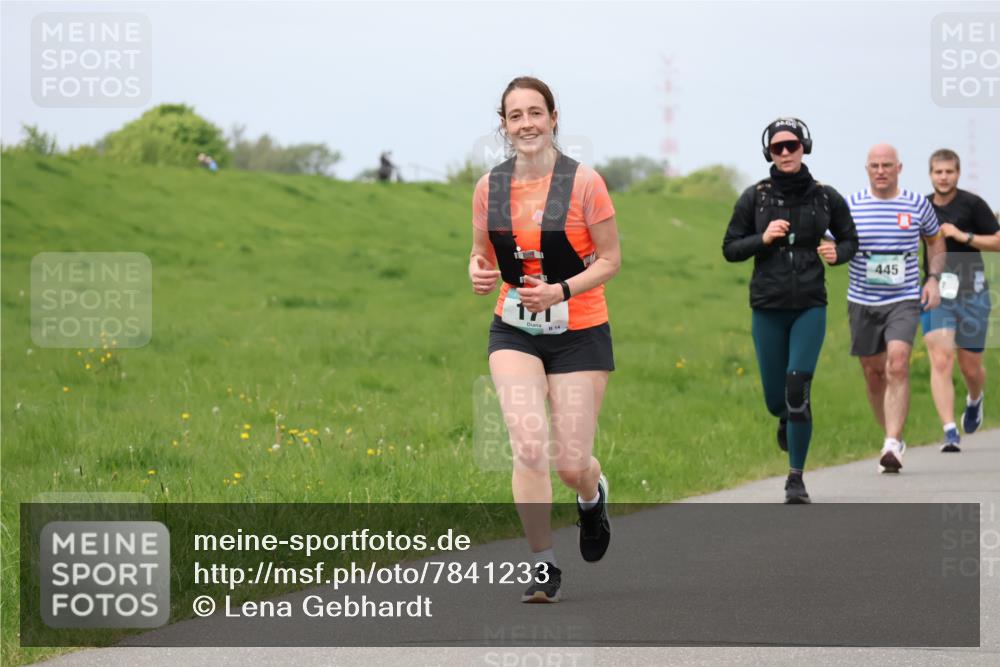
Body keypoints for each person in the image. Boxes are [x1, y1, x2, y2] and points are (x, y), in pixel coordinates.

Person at [468, 76, 621, 602]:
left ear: (554, 118)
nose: (527, 123)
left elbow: (611, 260)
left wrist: (560, 289)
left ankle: (591, 497)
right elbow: (482, 255)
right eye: (516, 115)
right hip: (514, 328)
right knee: (529, 447)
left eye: (536, 112)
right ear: (505, 126)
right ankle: (542, 563)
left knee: (570, 463)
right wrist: (479, 272)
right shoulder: (491, 187)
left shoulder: (584, 183)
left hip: (579, 332)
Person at [723, 117, 858, 503]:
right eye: (778, 147)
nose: (785, 152)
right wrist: (762, 239)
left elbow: (850, 240)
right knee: (775, 399)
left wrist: (838, 253)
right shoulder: (755, 197)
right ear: (769, 152)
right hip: (767, 305)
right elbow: (730, 248)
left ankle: (796, 477)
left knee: (798, 386)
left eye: (792, 145)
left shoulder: (825, 197)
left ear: (804, 148)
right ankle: (784, 417)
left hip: (810, 305)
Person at [846, 144, 945, 473]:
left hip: (903, 299)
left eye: (887, 165)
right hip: (862, 300)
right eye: (874, 165)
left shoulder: (917, 205)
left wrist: (932, 280)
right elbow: (833, 241)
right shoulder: (853, 205)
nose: (881, 170)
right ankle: (890, 434)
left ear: (899, 168)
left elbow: (935, 241)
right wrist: (829, 251)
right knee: (874, 375)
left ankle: (892, 441)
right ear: (866, 168)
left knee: (898, 364)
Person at [921, 149, 1000, 452]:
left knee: (971, 368)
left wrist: (962, 235)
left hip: (972, 292)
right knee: (941, 359)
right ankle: (949, 429)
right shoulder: (923, 206)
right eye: (938, 172)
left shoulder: (973, 204)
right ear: (930, 174)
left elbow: (997, 240)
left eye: (949, 172)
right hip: (936, 291)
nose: (944, 177)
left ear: (957, 173)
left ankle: (975, 399)